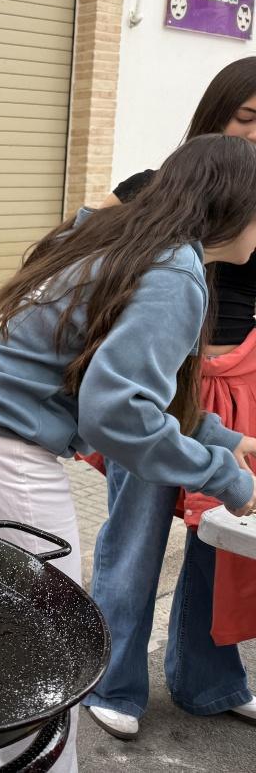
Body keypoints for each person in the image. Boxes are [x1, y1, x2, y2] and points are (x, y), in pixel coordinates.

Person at [0, 134, 256, 773]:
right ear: (238, 206)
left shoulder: (125, 239)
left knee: (18, 629)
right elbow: (117, 414)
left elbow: (129, 389)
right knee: (50, 643)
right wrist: (228, 480)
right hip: (3, 445)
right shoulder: (177, 273)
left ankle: (1, 756)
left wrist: (229, 442)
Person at [84, 58, 256, 740]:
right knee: (134, 537)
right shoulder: (154, 191)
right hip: (163, 387)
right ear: (213, 118)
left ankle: (208, 684)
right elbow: (96, 257)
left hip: (243, 386)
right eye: (247, 120)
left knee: (225, 539)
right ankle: (113, 681)